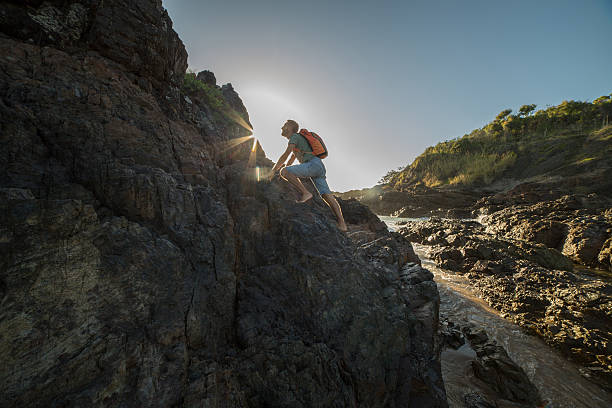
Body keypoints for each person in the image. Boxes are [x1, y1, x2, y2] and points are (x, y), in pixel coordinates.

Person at [268, 119, 348, 232]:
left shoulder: (294, 137)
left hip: (313, 165)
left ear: (290, 127)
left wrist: (274, 170)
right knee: (327, 196)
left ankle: (306, 193)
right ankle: (342, 224)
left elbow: (286, 155)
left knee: (284, 172)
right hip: (319, 166)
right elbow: (291, 159)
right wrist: (285, 168)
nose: (282, 127)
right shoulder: (298, 140)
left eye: (284, 125)